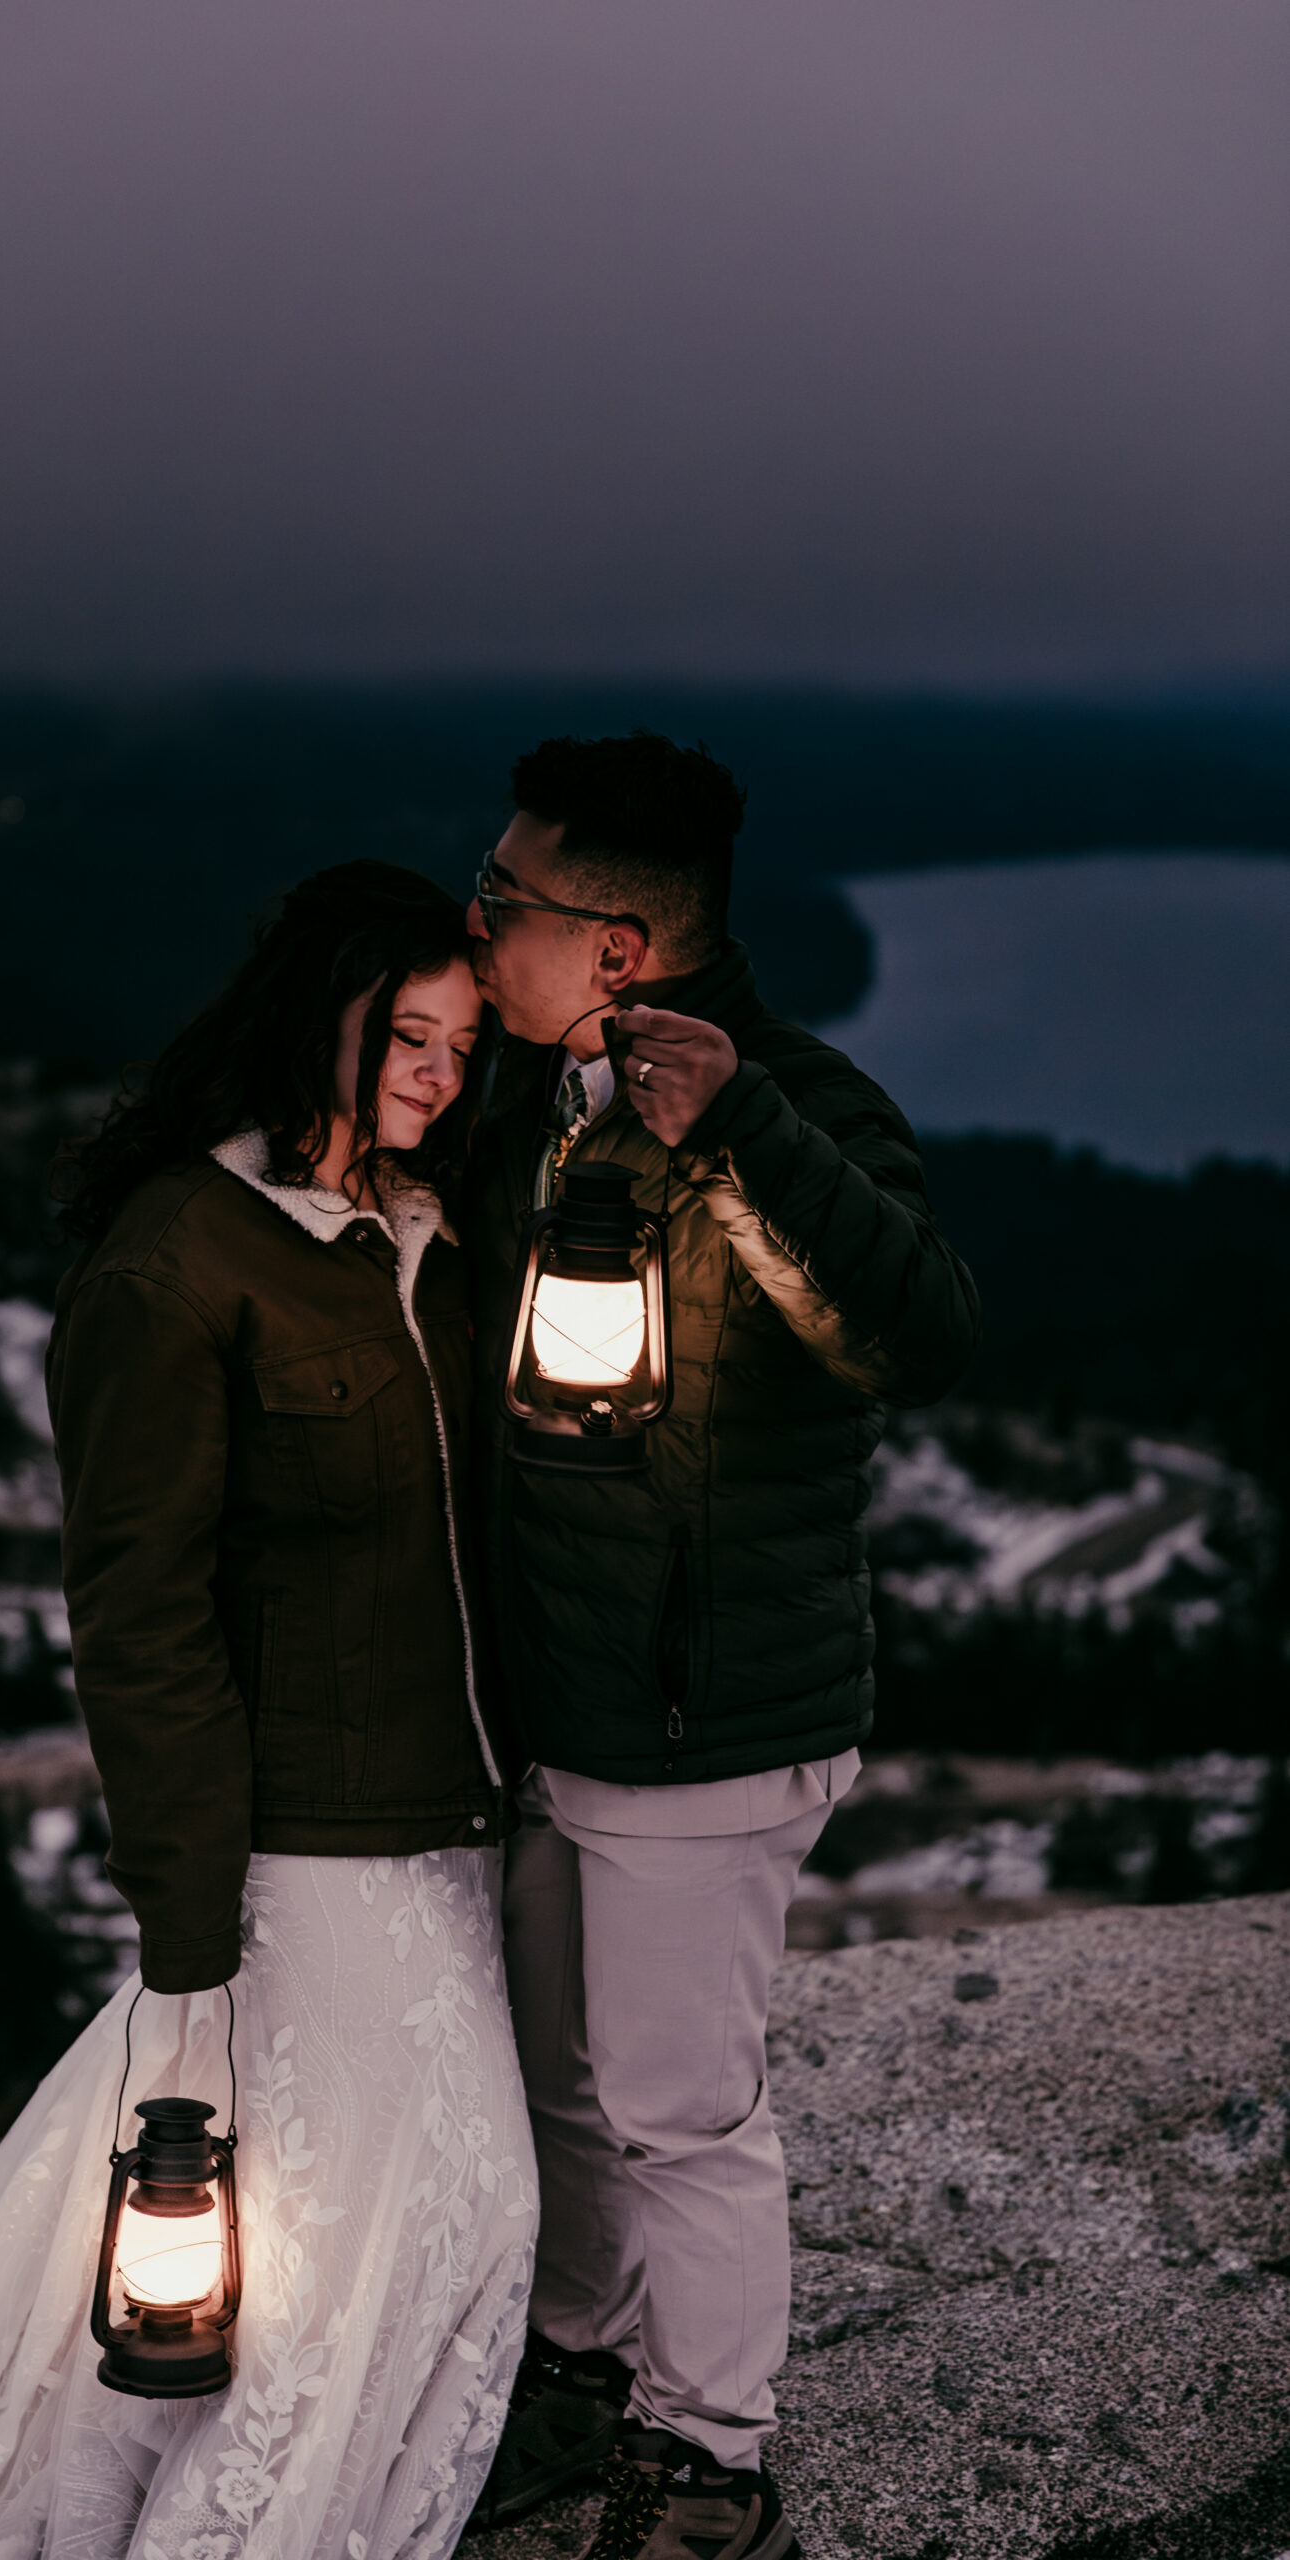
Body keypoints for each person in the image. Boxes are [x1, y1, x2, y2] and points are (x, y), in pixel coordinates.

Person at [0, 863, 534, 2560]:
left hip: (450, 1818)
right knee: (410, 2230)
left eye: (462, 1042)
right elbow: (139, 1617)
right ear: (313, 1026)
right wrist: (193, 1913)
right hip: (303, 1842)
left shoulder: (419, 1230)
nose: (436, 1074)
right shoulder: (176, 1261)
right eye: (404, 1036)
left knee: (442, 2220)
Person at [464, 735, 981, 2560]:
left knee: (682, 2107)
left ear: (614, 947)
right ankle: (586, 2368)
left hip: (710, 1715)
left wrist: (737, 1125)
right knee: (558, 2088)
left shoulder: (805, 1102)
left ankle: (710, 2462)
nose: (477, 927)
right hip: (551, 1707)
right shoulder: (515, 1098)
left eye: (505, 899)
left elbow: (910, 1332)